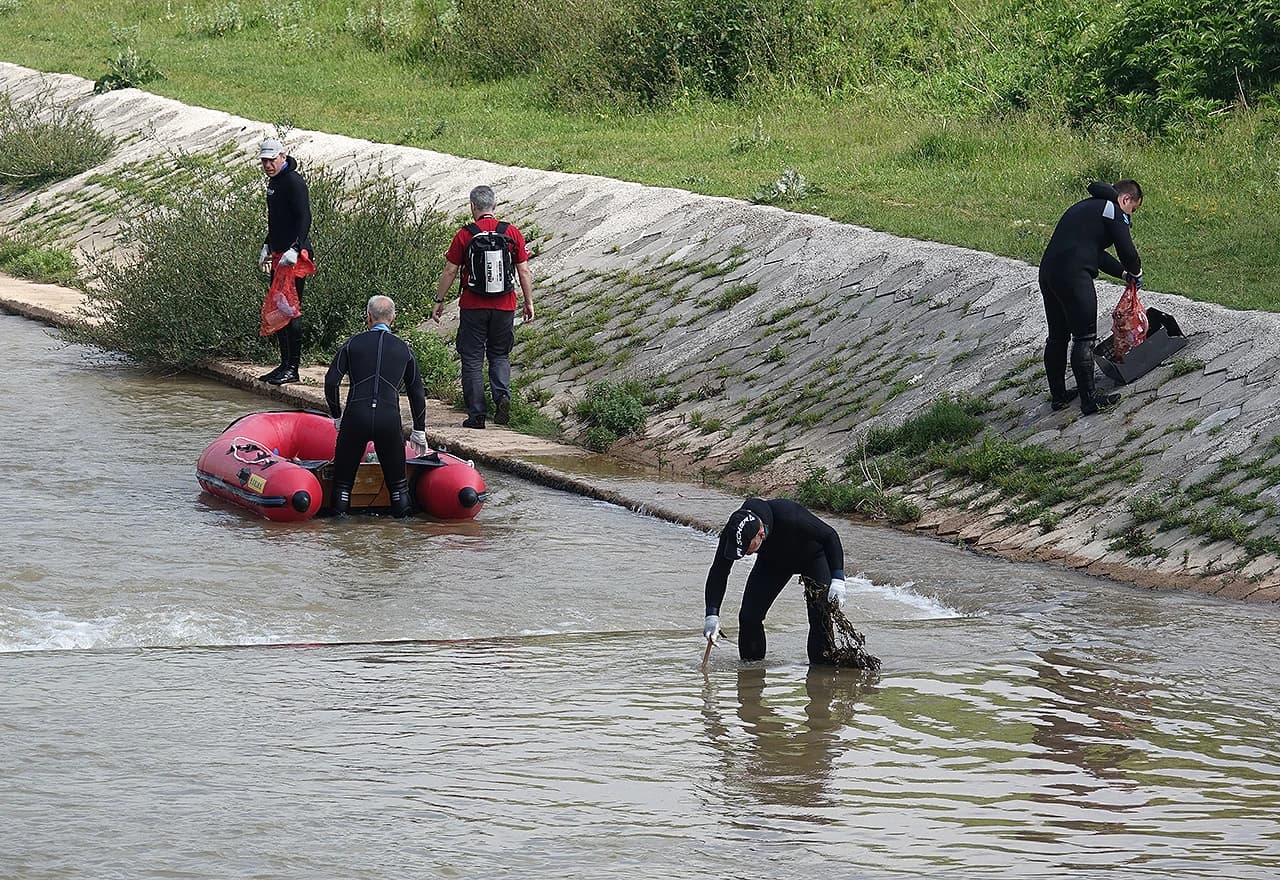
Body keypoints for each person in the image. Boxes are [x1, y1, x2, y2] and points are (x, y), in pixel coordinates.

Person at [431, 185, 535, 429]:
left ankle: (477, 415)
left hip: (473, 305)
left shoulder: (465, 235)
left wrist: (439, 300)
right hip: (505, 305)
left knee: (472, 359)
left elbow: (450, 271)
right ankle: (502, 396)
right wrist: (528, 301)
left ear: (472, 207)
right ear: (494, 206)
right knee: (499, 354)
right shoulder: (511, 232)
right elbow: (523, 270)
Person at [703, 498, 849, 665]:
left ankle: (822, 674)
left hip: (813, 558)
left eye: (747, 549)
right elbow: (719, 571)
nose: (744, 554)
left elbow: (830, 535)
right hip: (773, 563)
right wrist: (712, 614)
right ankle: (751, 673)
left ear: (760, 534)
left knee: (819, 617)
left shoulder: (789, 515)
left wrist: (838, 578)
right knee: (749, 617)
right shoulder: (735, 529)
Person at [1039, 179, 1143, 415]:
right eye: (1133, 209)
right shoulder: (1113, 210)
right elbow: (1127, 250)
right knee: (1084, 337)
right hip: (1074, 276)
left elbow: (1093, 252)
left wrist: (1122, 273)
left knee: (1057, 337)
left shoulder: (1089, 206)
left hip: (1048, 272)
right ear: (1126, 199)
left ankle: (1059, 396)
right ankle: (1090, 399)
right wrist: (1136, 271)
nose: (1130, 216)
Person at [324, 295, 429, 518]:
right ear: (394, 319)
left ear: (368, 318)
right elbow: (417, 393)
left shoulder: (352, 344)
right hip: (388, 419)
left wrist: (337, 416)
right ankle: (403, 531)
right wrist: (419, 430)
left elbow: (331, 381)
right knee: (399, 487)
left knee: (343, 485)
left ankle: (338, 535)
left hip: (355, 417)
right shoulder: (404, 350)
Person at [256, 138, 312, 386]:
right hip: (278, 254)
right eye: (264, 161)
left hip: (294, 257)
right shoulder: (274, 182)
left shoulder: (294, 182)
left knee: (290, 309)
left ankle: (294, 368)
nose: (268, 164)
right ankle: (283, 364)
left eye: (271, 160)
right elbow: (276, 219)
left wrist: (296, 247)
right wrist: (267, 244)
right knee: (279, 308)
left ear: (282, 156)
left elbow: (304, 218)